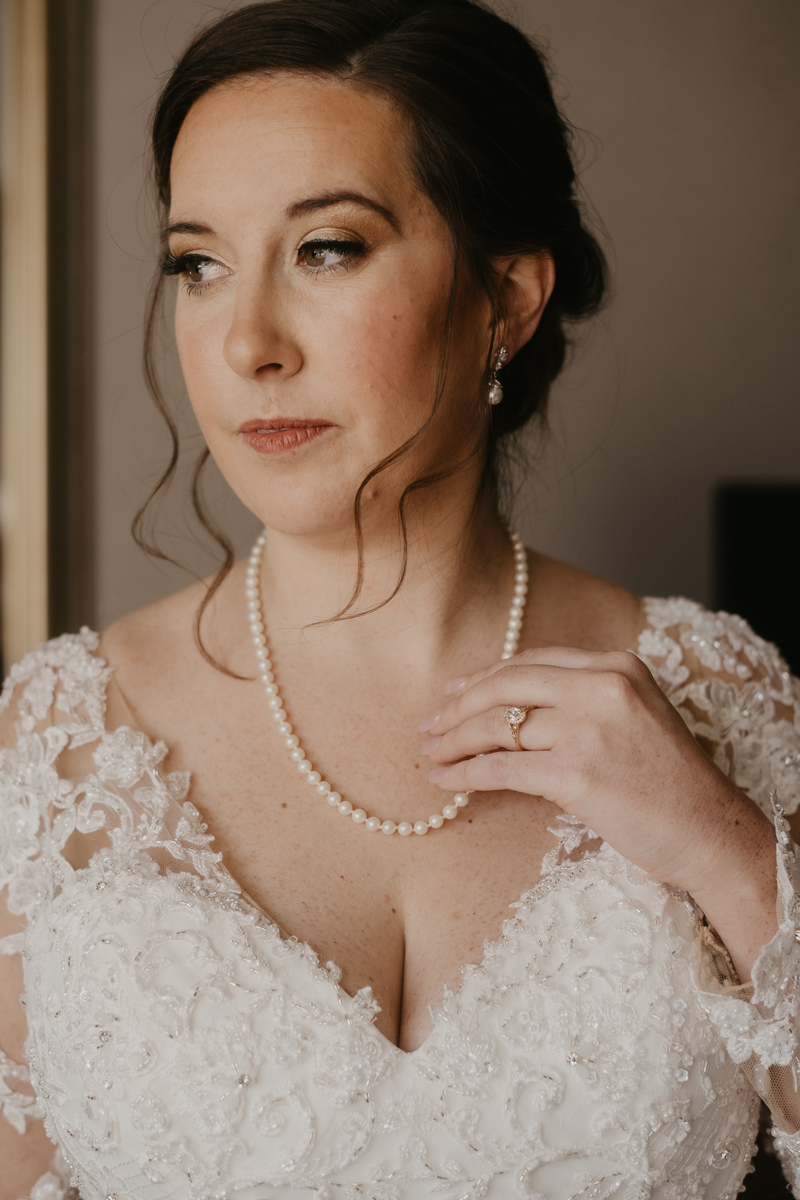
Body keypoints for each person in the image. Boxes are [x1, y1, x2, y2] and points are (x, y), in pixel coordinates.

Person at [2, 1, 800, 1195]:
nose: (247, 343)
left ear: (506, 301)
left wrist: (729, 857)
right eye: (199, 265)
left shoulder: (721, 698)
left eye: (327, 247)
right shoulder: (58, 742)